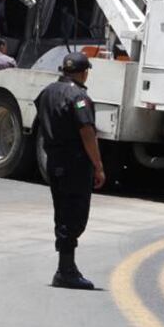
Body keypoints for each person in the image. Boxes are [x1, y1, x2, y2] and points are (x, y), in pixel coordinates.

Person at [35, 51, 105, 290]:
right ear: (84, 73)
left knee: (63, 214)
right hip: (74, 163)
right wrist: (98, 166)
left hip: (54, 160)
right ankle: (65, 271)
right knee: (74, 216)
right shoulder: (79, 96)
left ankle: (66, 267)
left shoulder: (47, 92)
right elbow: (87, 131)